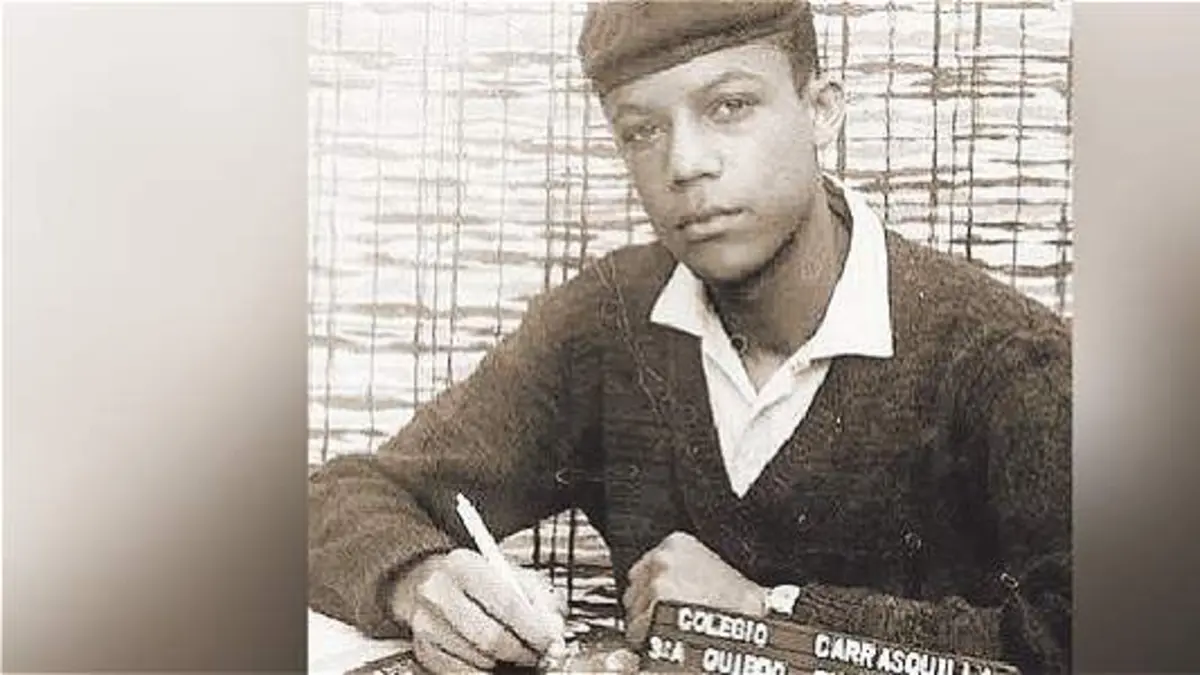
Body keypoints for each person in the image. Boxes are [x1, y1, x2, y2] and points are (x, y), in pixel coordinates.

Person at [308, 2, 1072, 673]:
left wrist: (767, 613)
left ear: (821, 110)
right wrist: (419, 579)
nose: (684, 163)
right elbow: (335, 497)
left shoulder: (1007, 355)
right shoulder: (608, 319)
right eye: (642, 130)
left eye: (729, 106)